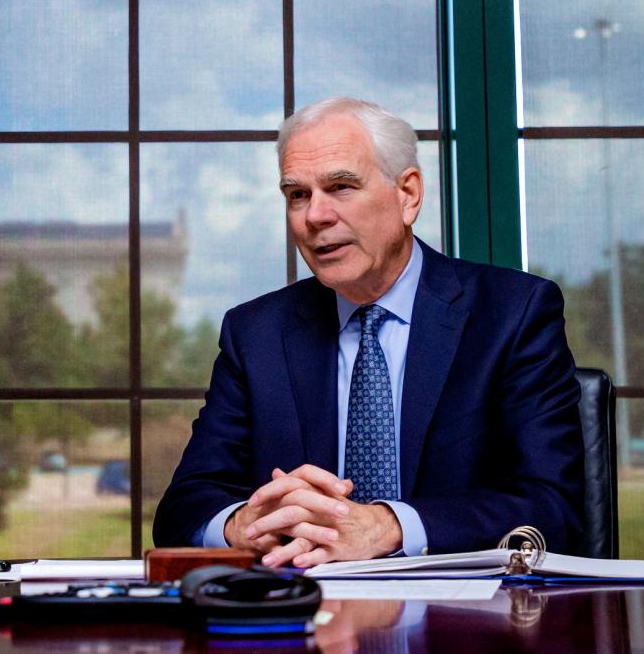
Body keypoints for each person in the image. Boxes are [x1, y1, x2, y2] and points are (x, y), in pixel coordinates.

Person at [152, 96, 584, 566]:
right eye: (298, 195)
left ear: (408, 195)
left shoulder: (512, 313)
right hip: (306, 619)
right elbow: (183, 508)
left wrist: (388, 526)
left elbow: (554, 507)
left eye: (340, 186)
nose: (315, 216)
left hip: (466, 621)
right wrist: (245, 524)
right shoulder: (255, 333)